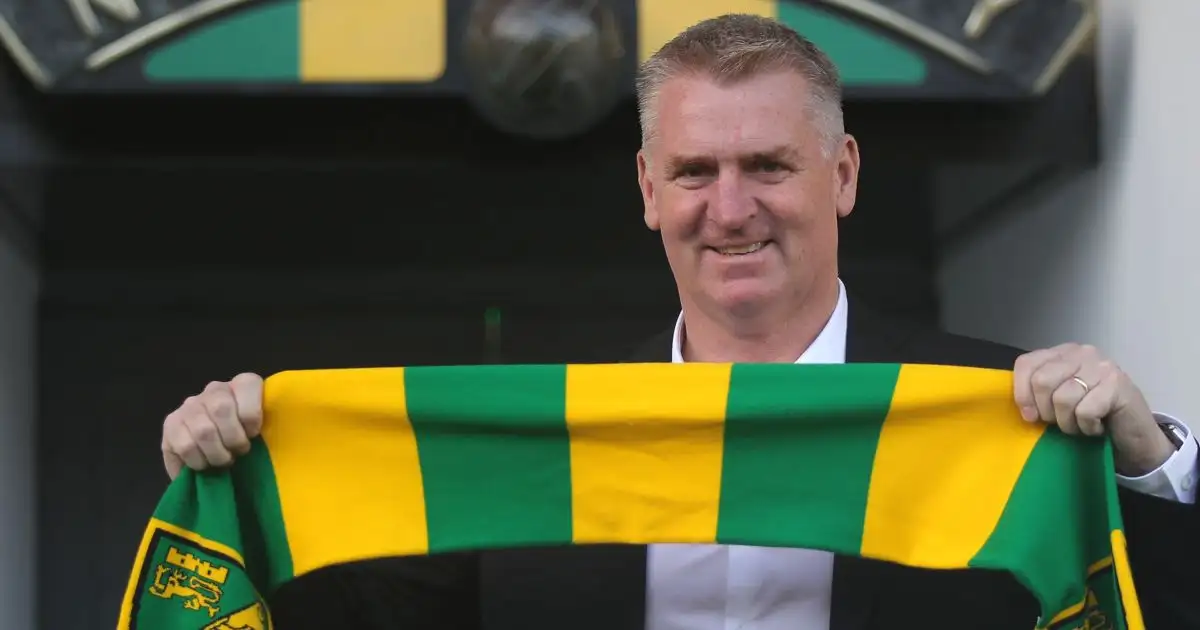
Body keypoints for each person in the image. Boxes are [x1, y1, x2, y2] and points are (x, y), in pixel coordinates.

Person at [158, 14, 1198, 630]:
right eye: (695, 171)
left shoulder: (999, 422)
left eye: (768, 166)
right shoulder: (543, 440)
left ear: (842, 174)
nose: (730, 209)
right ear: (648, 190)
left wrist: (1148, 466)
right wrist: (238, 475)